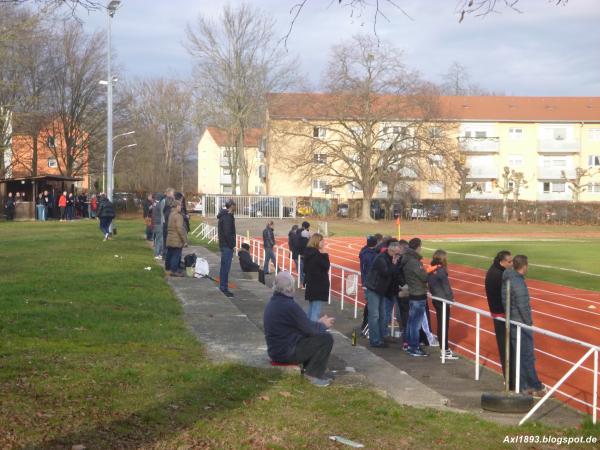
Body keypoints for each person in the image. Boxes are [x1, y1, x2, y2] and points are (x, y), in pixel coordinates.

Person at [263, 271, 335, 387]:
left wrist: (317, 323)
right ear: (290, 289)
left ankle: (312, 370)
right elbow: (310, 330)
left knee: (312, 335)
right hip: (286, 353)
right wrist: (323, 325)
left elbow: (304, 325)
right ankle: (313, 375)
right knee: (326, 338)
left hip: (276, 351)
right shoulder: (289, 305)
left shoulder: (273, 303)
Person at [502, 255, 547, 397]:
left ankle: (524, 385)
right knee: (526, 355)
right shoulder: (518, 282)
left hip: (514, 320)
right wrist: (528, 322)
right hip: (520, 322)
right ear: (524, 266)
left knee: (519, 355)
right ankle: (533, 385)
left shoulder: (508, 275)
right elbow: (521, 304)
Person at [485, 250, 515, 390]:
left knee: (507, 348)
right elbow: (505, 296)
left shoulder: (494, 270)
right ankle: (511, 381)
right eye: (509, 261)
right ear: (501, 261)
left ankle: (510, 379)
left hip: (498, 313)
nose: (512, 264)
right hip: (501, 315)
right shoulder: (499, 275)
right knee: (507, 349)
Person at [364, 241, 402, 348]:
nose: (397, 256)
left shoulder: (389, 258)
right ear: (391, 250)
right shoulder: (381, 258)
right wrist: (394, 263)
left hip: (381, 290)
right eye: (396, 253)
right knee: (375, 315)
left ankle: (381, 338)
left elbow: (394, 274)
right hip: (374, 289)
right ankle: (375, 340)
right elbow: (387, 272)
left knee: (382, 315)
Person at [401, 237, 431, 357]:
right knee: (415, 323)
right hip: (418, 294)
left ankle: (409, 345)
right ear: (418, 247)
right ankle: (414, 347)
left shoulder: (407, 259)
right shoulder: (414, 262)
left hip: (413, 293)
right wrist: (427, 272)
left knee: (411, 321)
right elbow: (423, 277)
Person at [428, 250, 459, 359]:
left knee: (441, 324)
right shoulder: (440, 270)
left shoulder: (432, 269)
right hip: (443, 300)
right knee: (444, 325)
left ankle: (444, 348)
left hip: (436, 298)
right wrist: (451, 300)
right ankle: (445, 350)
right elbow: (446, 287)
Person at [303, 233, 330, 322]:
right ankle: (313, 331)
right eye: (322, 241)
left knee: (311, 308)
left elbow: (305, 269)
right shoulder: (317, 255)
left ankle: (308, 328)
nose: (323, 242)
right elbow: (326, 266)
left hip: (311, 284)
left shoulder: (308, 253)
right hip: (318, 285)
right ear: (317, 242)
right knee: (316, 311)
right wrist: (325, 254)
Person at [359, 236, 379, 335]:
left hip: (366, 283)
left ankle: (365, 327)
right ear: (376, 244)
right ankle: (366, 329)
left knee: (369, 306)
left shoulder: (364, 252)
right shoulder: (372, 255)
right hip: (371, 284)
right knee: (372, 308)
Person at [217, 199, 236, 298]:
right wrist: (232, 244)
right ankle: (223, 288)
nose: (236, 206)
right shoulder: (227, 217)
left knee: (224, 267)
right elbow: (228, 233)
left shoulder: (224, 216)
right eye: (234, 205)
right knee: (225, 268)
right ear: (231, 206)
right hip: (227, 246)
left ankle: (223, 287)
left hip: (224, 245)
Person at [165, 200, 188, 277]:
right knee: (176, 254)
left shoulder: (171, 214)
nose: (181, 207)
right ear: (176, 206)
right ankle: (174, 271)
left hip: (170, 237)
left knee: (170, 253)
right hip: (176, 239)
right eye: (180, 206)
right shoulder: (178, 216)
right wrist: (184, 240)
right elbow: (180, 229)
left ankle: (168, 268)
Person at [152, 194, 164, 260]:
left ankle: (158, 253)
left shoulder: (155, 204)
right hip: (159, 223)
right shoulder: (159, 205)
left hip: (156, 223)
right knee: (159, 240)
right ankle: (157, 254)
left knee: (157, 239)